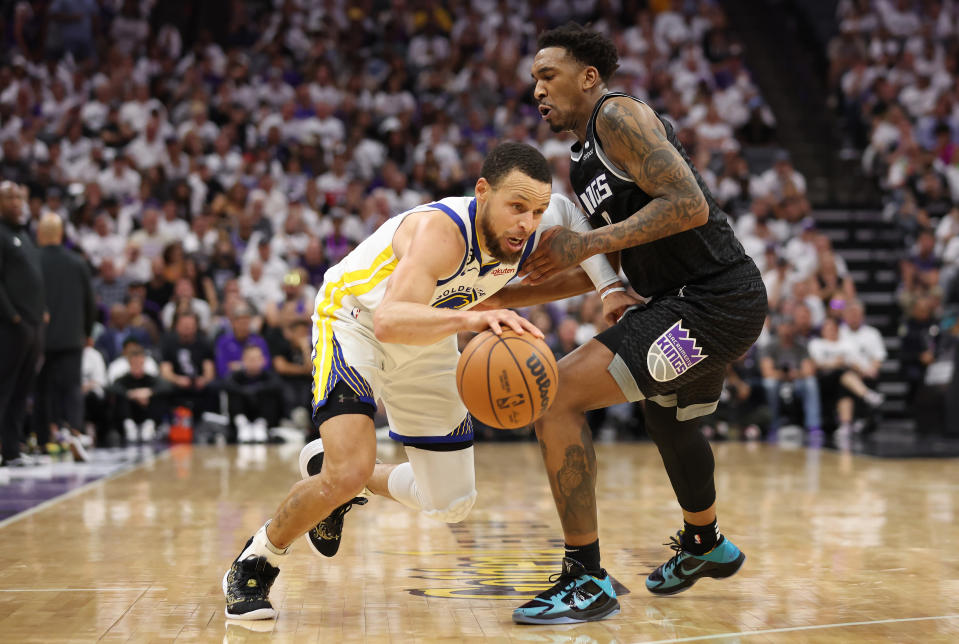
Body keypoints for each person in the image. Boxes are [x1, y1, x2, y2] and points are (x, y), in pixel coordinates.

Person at [222, 142, 632, 620]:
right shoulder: (442, 231)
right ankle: (257, 559)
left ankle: (334, 475)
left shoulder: (529, 231)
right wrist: (474, 320)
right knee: (348, 468)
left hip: (430, 331)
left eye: (537, 210)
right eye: (517, 207)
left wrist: (608, 284)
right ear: (483, 192)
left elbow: (571, 247)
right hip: (356, 320)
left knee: (451, 502)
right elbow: (390, 321)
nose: (527, 220)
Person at [497, 24, 768, 623]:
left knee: (554, 397)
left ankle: (585, 577)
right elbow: (597, 260)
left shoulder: (618, 117)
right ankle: (705, 543)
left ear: (589, 77)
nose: (537, 90)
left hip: (711, 300)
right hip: (695, 303)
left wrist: (583, 241)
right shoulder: (580, 161)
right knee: (668, 422)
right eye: (533, 81)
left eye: (548, 75)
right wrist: (497, 299)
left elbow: (689, 204)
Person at [35, 212, 95, 457]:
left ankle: (40, 439)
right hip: (72, 336)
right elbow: (90, 302)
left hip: (40, 336)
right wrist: (88, 332)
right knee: (72, 388)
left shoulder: (33, 260)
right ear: (61, 234)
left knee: (41, 389)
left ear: (40, 234)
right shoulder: (77, 262)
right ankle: (76, 434)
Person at [0, 182, 46, 467]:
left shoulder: (23, 236)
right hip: (10, 326)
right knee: (3, 389)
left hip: (32, 325)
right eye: (9, 197)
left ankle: (12, 450)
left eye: (20, 197)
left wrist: (43, 310)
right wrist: (12, 316)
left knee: (20, 390)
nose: (17, 202)